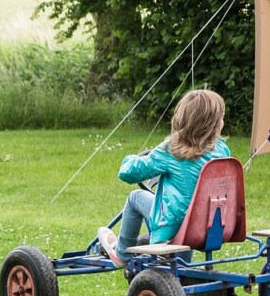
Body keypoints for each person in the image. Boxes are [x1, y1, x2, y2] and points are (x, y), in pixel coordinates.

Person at [96, 89, 231, 265]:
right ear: (215, 123)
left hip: (178, 226)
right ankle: (181, 266)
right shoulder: (222, 150)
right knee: (184, 207)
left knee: (135, 198)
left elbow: (128, 173)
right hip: (212, 224)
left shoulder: (172, 150)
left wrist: (132, 159)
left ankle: (121, 254)